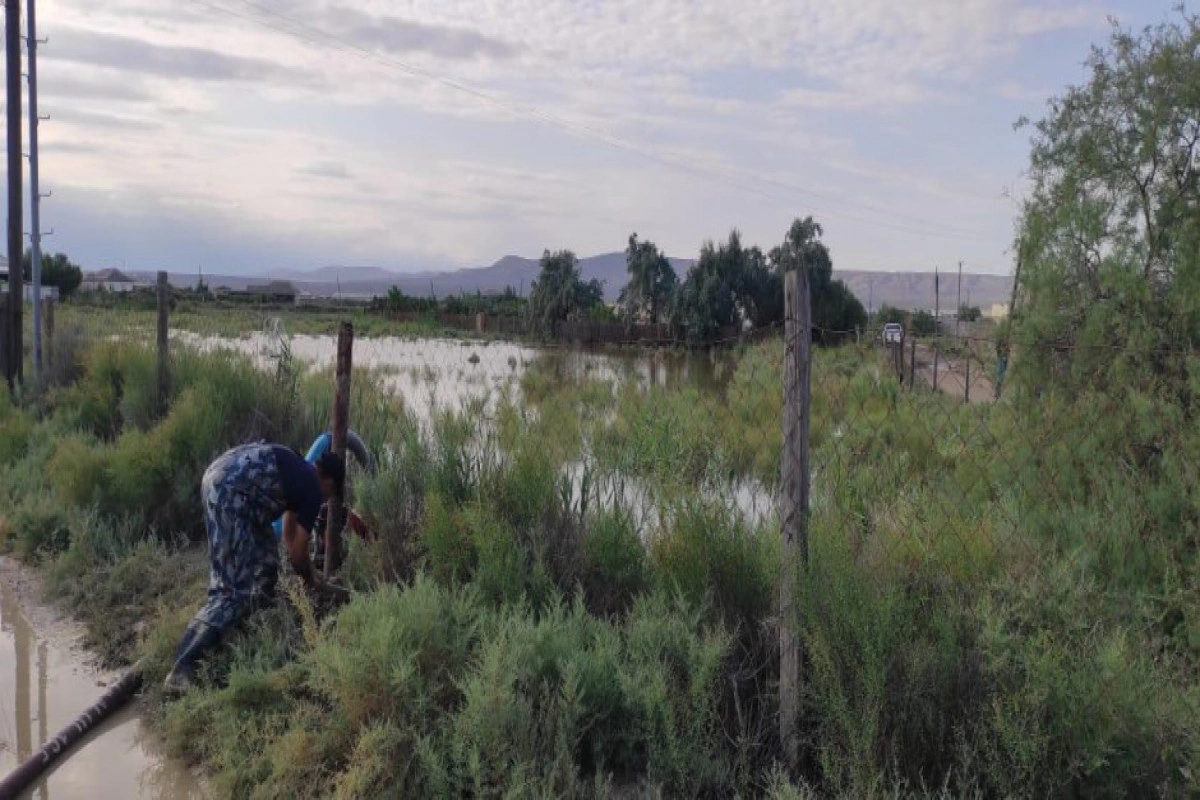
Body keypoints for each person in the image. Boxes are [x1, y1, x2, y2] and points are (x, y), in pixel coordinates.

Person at [163, 442, 345, 694]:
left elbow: (289, 538)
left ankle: (244, 634)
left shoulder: (299, 470)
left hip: (220, 480)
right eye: (330, 494)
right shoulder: (313, 489)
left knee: (266, 565)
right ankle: (183, 668)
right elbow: (298, 554)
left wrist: (303, 573)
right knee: (234, 591)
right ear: (329, 482)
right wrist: (311, 579)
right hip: (231, 496)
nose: (325, 500)